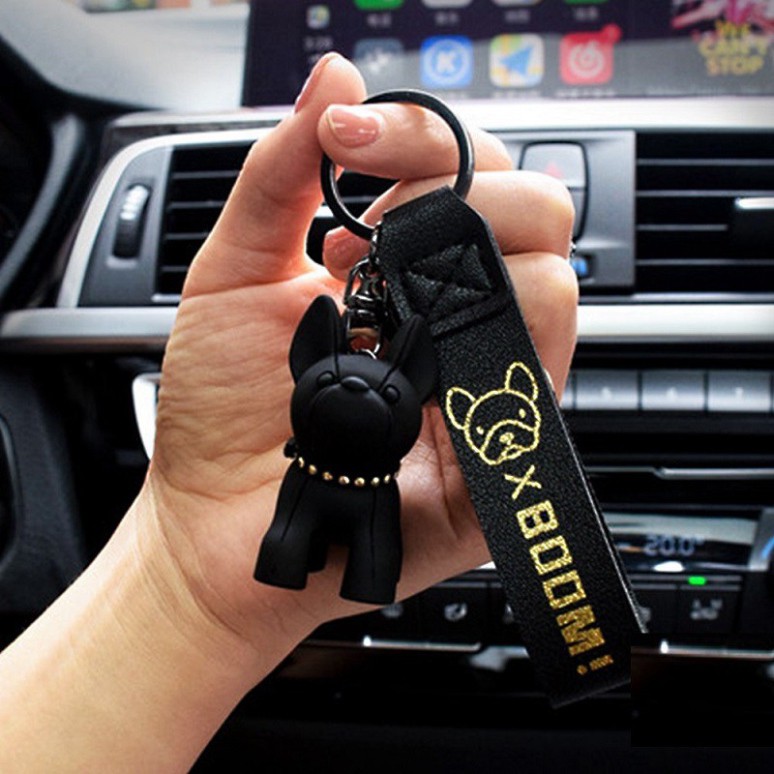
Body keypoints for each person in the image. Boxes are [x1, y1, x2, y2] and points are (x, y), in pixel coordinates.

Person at [0, 53, 577, 771]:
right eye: (337, 377)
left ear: (415, 379)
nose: (358, 390)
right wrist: (174, 573)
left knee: (364, 546)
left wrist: (179, 595)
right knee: (305, 536)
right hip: (316, 481)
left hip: (363, 488)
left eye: (384, 391)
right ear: (308, 362)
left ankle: (358, 568)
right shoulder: (295, 430)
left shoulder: (373, 422)